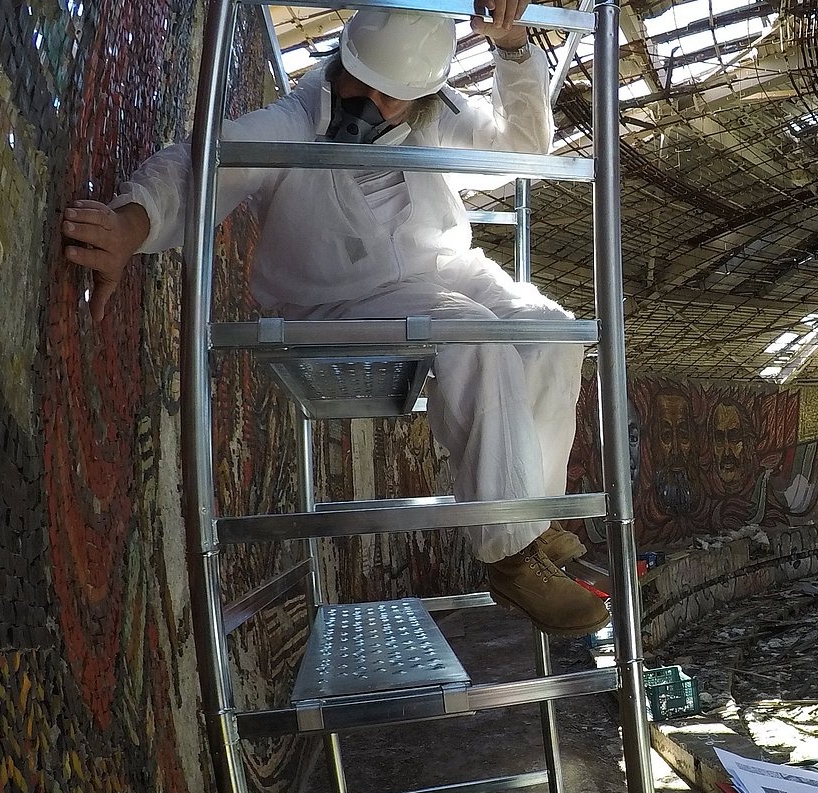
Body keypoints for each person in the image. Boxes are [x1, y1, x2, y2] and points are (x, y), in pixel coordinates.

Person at [59, 6, 607, 636]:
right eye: (362, 84)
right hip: (343, 294)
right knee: (476, 334)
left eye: (393, 97)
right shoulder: (291, 121)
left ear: (423, 93)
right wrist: (131, 223)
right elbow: (202, 167)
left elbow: (521, 152)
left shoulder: (440, 113)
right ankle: (510, 555)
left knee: (552, 328)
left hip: (442, 267)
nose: (373, 103)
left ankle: (532, 517)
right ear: (343, 58)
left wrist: (513, 50)